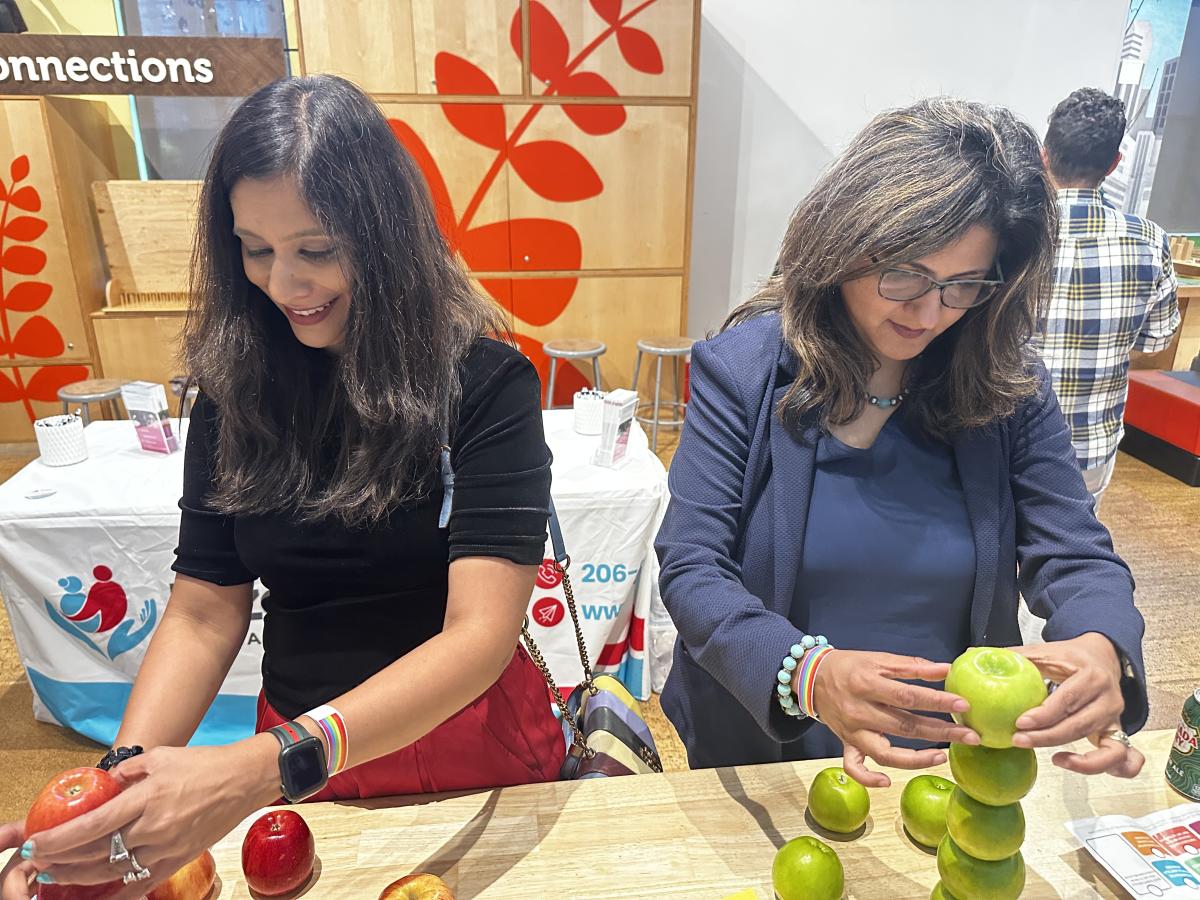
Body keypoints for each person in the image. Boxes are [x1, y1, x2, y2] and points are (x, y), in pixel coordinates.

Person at [2, 75, 563, 898]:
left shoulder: (481, 383)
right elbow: (202, 611)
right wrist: (117, 790)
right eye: (254, 249)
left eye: (316, 249)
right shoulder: (236, 392)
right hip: (297, 760)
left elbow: (478, 636)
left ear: (386, 235)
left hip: (463, 742)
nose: (283, 284)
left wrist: (265, 765)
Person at [655, 98, 1147, 788]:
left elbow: (1074, 549)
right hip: (770, 747)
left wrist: (1100, 645)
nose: (928, 313)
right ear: (843, 236)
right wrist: (807, 672)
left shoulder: (1008, 385)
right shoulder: (743, 369)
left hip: (950, 754)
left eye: (963, 285)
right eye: (905, 274)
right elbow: (691, 566)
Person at [1033, 87, 1180, 506]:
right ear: (1114, 164)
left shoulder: (1013, 235)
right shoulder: (1151, 241)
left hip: (1006, 436)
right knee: (1074, 552)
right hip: (1089, 445)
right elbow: (1156, 341)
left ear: (1044, 155)